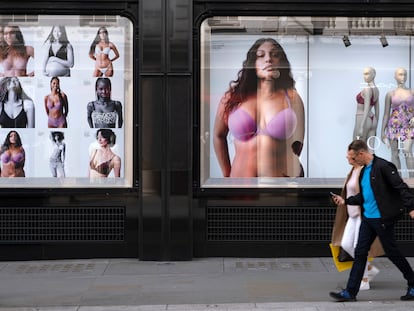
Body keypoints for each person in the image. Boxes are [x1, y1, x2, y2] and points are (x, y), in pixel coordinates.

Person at [329, 139, 414, 302]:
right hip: (367, 219)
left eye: (353, 158)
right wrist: (346, 201)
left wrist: (411, 207)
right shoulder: (363, 171)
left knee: (392, 252)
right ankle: (350, 292)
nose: (352, 161)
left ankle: (413, 283)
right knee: (360, 253)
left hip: (382, 219)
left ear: (361, 154)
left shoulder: (383, 167)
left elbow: (400, 187)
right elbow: (364, 196)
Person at [213, 37, 305, 177]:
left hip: (280, 185)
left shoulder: (292, 98)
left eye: (275, 55)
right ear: (253, 63)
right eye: (261, 55)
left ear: (281, 62)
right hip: (240, 184)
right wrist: (227, 175)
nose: (268, 59)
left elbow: (298, 144)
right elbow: (218, 135)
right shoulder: (233, 97)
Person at [330, 146, 383, 291]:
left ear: (356, 157)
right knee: (346, 244)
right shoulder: (352, 171)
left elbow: (365, 194)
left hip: (362, 214)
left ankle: (364, 279)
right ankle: (369, 268)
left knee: (358, 248)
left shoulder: (362, 171)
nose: (346, 157)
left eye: (349, 155)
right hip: (352, 214)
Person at [381, 67, 414, 177]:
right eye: (400, 74)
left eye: (405, 74)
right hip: (393, 125)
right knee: (394, 153)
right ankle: (397, 181)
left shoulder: (412, 92)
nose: (403, 77)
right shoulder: (390, 94)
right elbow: (386, 114)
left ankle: (412, 179)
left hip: (409, 125)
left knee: (407, 151)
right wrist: (382, 132)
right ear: (395, 76)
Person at [353, 67, 379, 142]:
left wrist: (361, 126)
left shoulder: (367, 89)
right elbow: (377, 111)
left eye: (367, 74)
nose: (365, 76)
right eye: (364, 74)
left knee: (357, 146)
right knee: (370, 150)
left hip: (362, 118)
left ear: (374, 75)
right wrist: (375, 125)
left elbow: (366, 108)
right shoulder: (376, 90)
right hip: (372, 119)